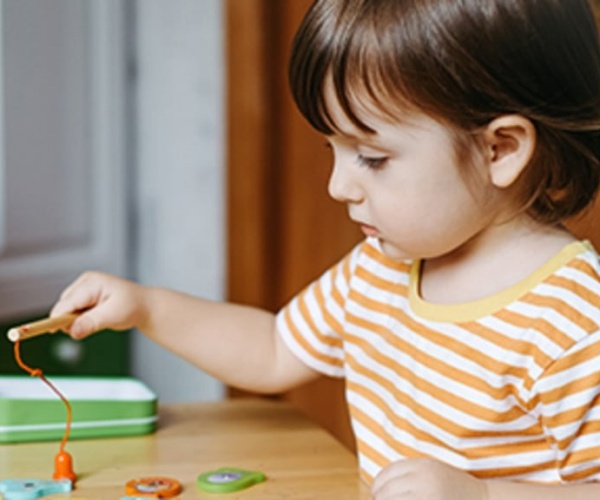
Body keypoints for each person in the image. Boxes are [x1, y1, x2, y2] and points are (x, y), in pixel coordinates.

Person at [50, 0, 600, 498]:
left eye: (373, 157)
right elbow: (271, 350)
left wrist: (483, 496)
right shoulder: (379, 269)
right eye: (333, 149)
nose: (338, 186)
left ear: (500, 149)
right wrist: (147, 307)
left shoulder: (571, 319)